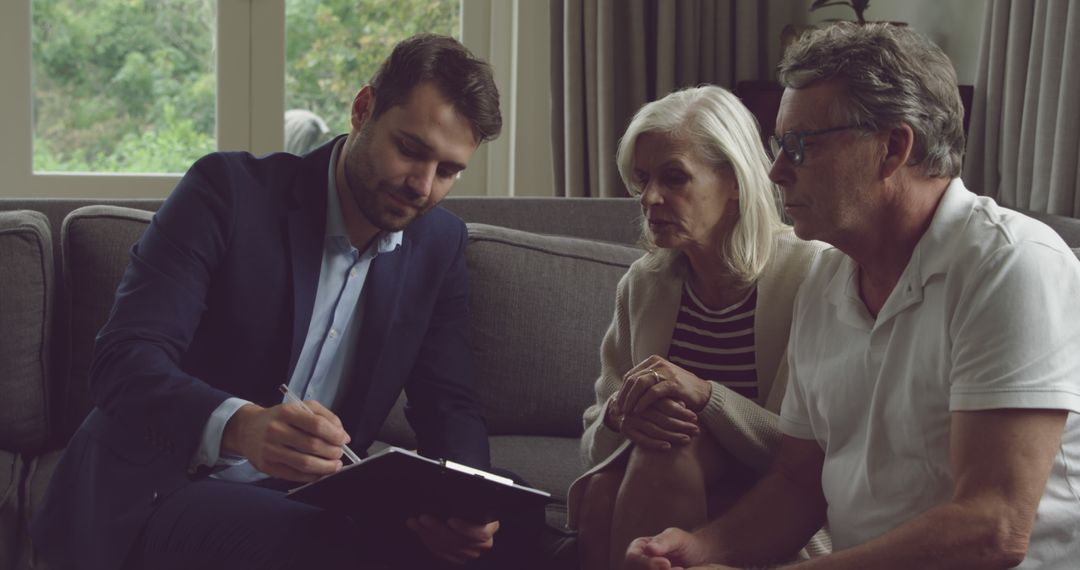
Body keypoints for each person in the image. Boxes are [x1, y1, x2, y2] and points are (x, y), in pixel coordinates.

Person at [30, 33, 517, 570]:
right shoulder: (227, 192)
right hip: (157, 493)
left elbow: (449, 405)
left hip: (310, 502)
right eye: (410, 149)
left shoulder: (438, 245)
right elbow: (122, 361)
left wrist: (467, 509)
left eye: (448, 171)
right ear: (362, 110)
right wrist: (241, 426)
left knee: (510, 534)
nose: (423, 186)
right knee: (324, 543)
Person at [626, 22, 1080, 570]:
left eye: (798, 146)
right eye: (777, 145)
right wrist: (702, 549)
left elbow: (994, 527)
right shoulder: (825, 279)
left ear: (892, 148)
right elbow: (798, 484)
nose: (775, 171)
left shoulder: (1011, 264)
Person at [566, 85, 827, 570]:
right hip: (659, 488)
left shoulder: (811, 276)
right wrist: (623, 416)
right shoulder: (644, 283)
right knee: (600, 488)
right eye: (642, 179)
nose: (649, 198)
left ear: (735, 181)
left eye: (673, 178)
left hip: (775, 508)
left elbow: (807, 455)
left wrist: (707, 397)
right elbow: (593, 443)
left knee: (669, 447)